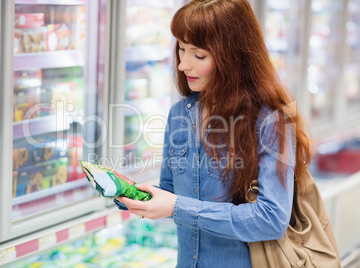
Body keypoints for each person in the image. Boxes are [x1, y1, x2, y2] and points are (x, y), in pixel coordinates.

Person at [116, 0, 312, 267]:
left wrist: (179, 208)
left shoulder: (271, 119)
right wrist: (128, 193)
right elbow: (171, 193)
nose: (184, 65)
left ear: (233, 57)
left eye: (198, 55)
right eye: (181, 49)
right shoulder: (180, 114)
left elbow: (271, 219)